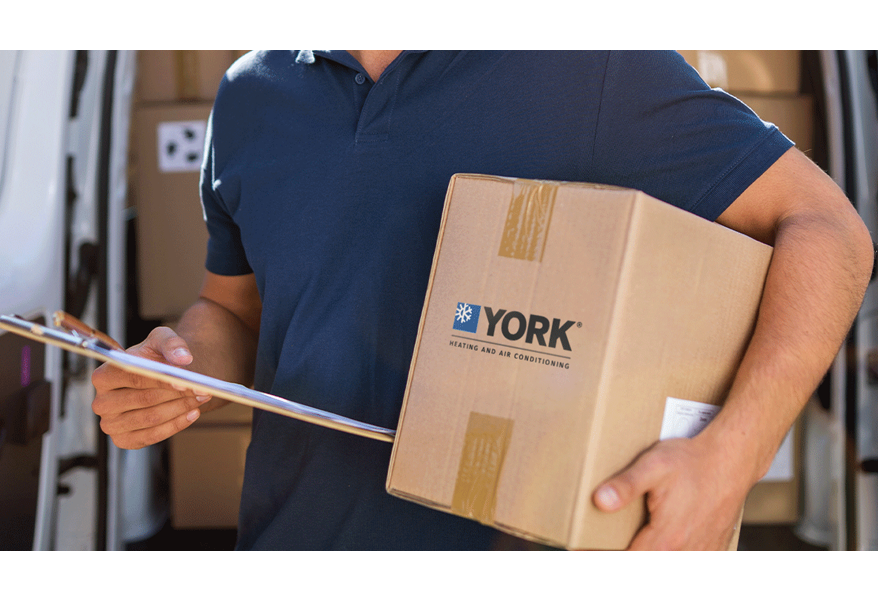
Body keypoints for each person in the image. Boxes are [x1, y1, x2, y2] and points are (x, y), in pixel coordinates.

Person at [91, 51, 873, 550]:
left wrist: (729, 460)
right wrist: (175, 365)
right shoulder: (250, 94)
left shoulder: (583, 66)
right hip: (290, 539)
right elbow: (236, 310)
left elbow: (829, 229)